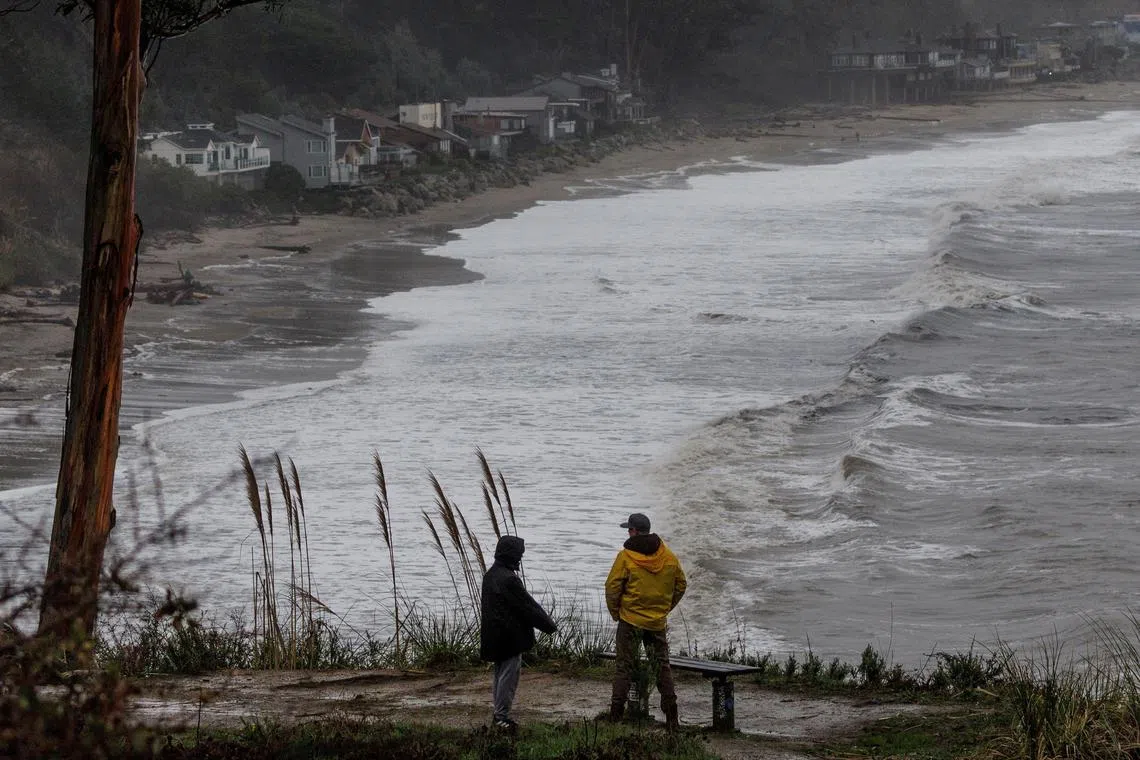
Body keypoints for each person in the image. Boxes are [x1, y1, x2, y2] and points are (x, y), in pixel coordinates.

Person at [605, 512, 687, 730]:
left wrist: (617, 613)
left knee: (624, 667)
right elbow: (681, 584)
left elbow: (612, 588)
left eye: (628, 529)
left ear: (633, 531)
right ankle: (672, 719)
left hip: (629, 621)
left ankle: (615, 716)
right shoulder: (668, 556)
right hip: (656, 624)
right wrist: (663, 609)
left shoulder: (625, 557)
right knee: (662, 668)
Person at [480, 535, 557, 730]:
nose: (520, 559)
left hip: (494, 637)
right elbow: (528, 607)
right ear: (511, 556)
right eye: (519, 555)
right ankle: (501, 717)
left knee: (499, 675)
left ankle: (498, 714)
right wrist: (549, 626)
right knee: (509, 677)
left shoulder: (490, 575)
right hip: (510, 639)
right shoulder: (509, 580)